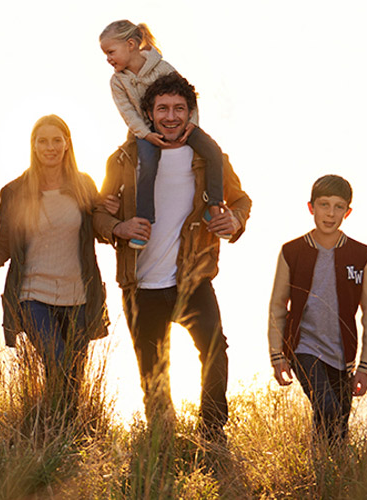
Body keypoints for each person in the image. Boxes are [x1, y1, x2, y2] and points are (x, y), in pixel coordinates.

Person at [95, 72, 251, 441]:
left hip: (193, 278)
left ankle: (212, 433)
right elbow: (99, 213)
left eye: (179, 109)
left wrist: (235, 219)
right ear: (148, 113)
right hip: (141, 284)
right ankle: (163, 441)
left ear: (190, 113)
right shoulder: (124, 158)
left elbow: (241, 200)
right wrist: (119, 227)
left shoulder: (209, 159)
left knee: (216, 352)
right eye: (162, 108)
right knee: (153, 373)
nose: (170, 116)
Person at [0, 115, 112, 409]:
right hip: (33, 295)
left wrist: (114, 214)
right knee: (57, 361)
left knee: (72, 373)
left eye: (57, 140)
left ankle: (60, 435)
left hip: (79, 296)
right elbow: (5, 240)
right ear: (33, 146)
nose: (50, 147)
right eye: (42, 141)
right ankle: (55, 430)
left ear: (67, 144)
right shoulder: (15, 191)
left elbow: (100, 229)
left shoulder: (84, 185)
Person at [267, 174, 367, 445]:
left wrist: (365, 366)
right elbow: (277, 305)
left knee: (338, 428)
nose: (330, 214)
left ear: (347, 211)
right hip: (303, 349)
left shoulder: (360, 254)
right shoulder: (292, 251)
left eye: (338, 206)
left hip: (343, 355)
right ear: (311, 207)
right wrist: (277, 355)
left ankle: (326, 478)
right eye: (324, 205)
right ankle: (322, 472)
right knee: (327, 407)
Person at [99, 20, 226, 249]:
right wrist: (146, 135)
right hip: (143, 131)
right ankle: (145, 221)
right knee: (148, 162)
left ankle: (213, 204)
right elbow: (128, 113)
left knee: (213, 152)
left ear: (130, 44)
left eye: (110, 52)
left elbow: (189, 97)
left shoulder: (162, 67)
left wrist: (192, 125)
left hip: (180, 126)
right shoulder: (117, 81)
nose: (108, 58)